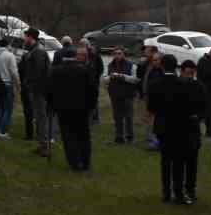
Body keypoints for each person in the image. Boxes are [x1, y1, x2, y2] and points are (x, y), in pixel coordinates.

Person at [150, 57, 206, 204]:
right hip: (180, 126)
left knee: (165, 161)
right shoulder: (184, 84)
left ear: (162, 66)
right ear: (176, 67)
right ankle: (179, 192)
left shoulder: (155, 84)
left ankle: (166, 193)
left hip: (162, 126)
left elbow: (151, 108)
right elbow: (189, 106)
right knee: (178, 161)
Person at [48, 44, 97, 172]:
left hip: (63, 109)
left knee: (68, 135)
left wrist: (52, 105)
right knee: (83, 135)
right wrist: (91, 106)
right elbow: (93, 90)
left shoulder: (55, 71)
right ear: (75, 56)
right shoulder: (85, 71)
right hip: (82, 108)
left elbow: (50, 91)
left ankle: (74, 162)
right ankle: (85, 162)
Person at [21, 29, 54, 157]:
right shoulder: (34, 50)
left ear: (30, 37)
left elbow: (39, 73)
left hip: (39, 91)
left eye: (25, 37)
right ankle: (41, 145)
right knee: (38, 117)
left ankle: (44, 146)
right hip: (36, 90)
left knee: (41, 118)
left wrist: (31, 86)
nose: (24, 39)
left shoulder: (38, 51)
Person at [105, 47, 140, 145]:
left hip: (127, 95)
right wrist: (109, 77)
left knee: (128, 117)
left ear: (123, 54)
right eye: (115, 53)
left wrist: (122, 76)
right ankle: (119, 137)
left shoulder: (131, 65)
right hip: (114, 94)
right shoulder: (110, 65)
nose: (117, 55)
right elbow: (105, 79)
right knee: (117, 117)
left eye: (119, 53)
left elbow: (135, 79)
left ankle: (130, 137)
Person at [0, 37, 19, 137]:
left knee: (0, 108)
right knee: (8, 108)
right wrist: (18, 84)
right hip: (7, 84)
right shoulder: (10, 55)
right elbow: (14, 72)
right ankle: (3, 131)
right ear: (7, 45)